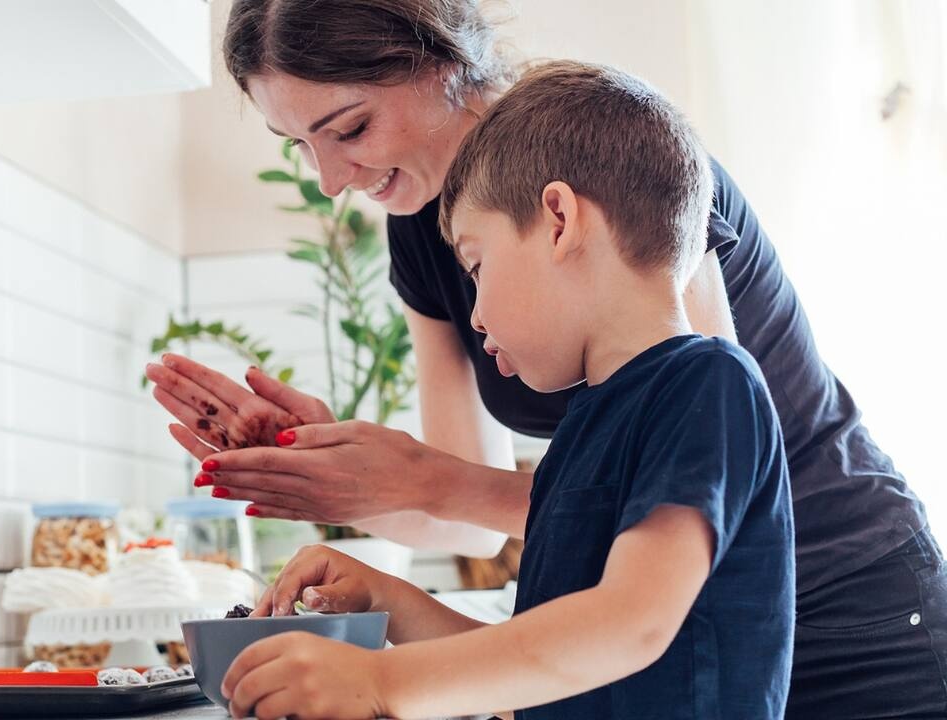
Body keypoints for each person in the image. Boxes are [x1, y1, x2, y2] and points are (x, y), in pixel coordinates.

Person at [144, 0, 947, 714]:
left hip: (849, 601)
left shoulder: (622, 167)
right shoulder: (428, 234)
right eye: (300, 145)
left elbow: (674, 540)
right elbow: (485, 528)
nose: (328, 179)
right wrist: (325, 468)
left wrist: (386, 675)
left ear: (439, 59)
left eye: (349, 128)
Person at [219, 61, 795, 720]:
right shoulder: (586, 429)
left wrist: (381, 681)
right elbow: (543, 678)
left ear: (558, 220)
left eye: (477, 266)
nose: (474, 315)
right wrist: (389, 604)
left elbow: (629, 625)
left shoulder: (707, 384)